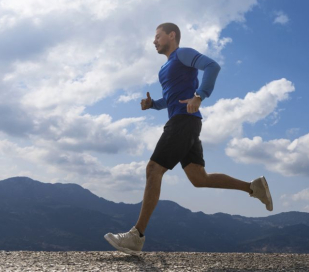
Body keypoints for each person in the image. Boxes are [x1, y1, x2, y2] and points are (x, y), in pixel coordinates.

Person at [104, 23, 273, 255]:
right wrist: (152, 105)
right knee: (198, 177)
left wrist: (199, 96)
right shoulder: (164, 68)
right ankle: (253, 188)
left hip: (184, 121)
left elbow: (213, 66)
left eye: (157, 36)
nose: (154, 41)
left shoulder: (181, 54)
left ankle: (136, 236)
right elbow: (170, 99)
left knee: (153, 169)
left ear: (171, 35)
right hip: (185, 121)